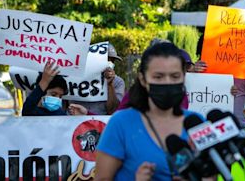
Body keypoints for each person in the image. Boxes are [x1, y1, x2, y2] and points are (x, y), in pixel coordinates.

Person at [95, 42, 203, 180]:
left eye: (175, 76)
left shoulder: (197, 123)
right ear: (143, 79)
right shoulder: (121, 124)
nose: (167, 82)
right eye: (158, 77)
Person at [69, 43, 125, 115]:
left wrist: (110, 85)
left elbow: (113, 111)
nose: (110, 64)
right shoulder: (74, 78)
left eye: (112, 61)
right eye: (106, 59)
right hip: (75, 123)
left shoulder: (118, 82)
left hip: (101, 124)